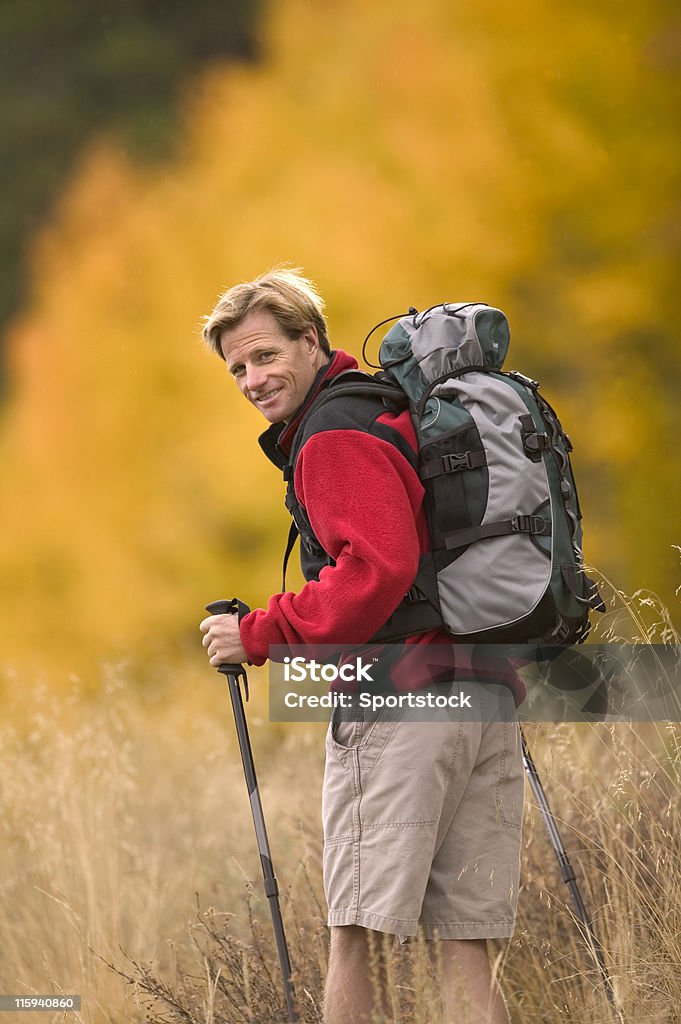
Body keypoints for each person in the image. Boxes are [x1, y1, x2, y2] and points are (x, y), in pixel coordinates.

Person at [199, 267, 525, 1024]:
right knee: (462, 944)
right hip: (481, 691)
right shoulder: (394, 413)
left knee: (357, 934)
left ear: (310, 342)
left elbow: (376, 569)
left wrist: (256, 633)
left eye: (265, 356)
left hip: (402, 702)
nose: (252, 378)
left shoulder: (335, 434)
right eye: (237, 368)